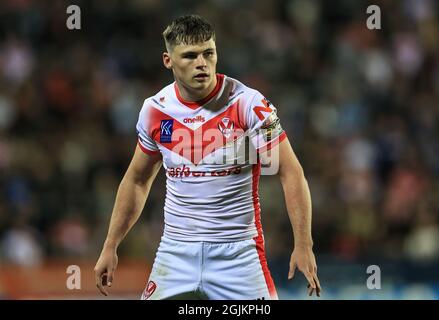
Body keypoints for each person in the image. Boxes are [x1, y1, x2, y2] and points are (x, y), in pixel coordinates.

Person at [94, 14, 321, 300]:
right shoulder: (154, 110)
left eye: (208, 53)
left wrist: (304, 243)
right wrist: (110, 245)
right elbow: (137, 180)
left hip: (238, 254)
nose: (201, 63)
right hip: (176, 251)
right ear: (168, 61)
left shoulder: (249, 104)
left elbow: (291, 172)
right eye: (189, 56)